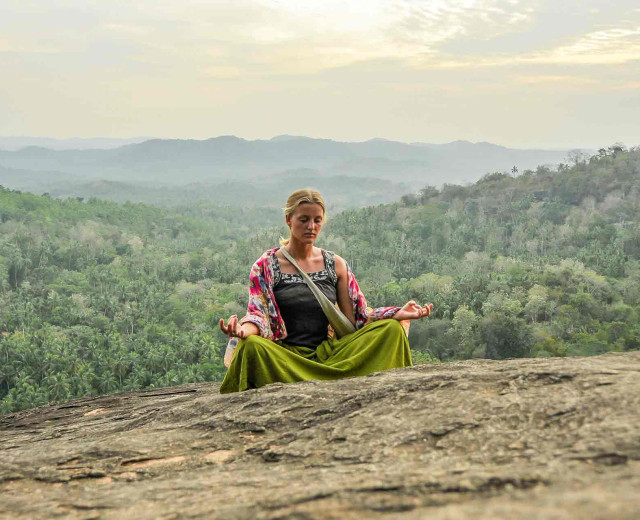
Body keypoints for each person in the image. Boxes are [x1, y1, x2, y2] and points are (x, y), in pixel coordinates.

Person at [219, 189, 432, 393]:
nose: (311, 226)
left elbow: (357, 317)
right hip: (287, 358)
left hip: (330, 354)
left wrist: (397, 313)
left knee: (391, 330)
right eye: (304, 219)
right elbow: (258, 314)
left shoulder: (335, 264)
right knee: (251, 347)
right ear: (288, 220)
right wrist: (242, 331)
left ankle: (336, 376)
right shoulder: (266, 265)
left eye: (317, 220)